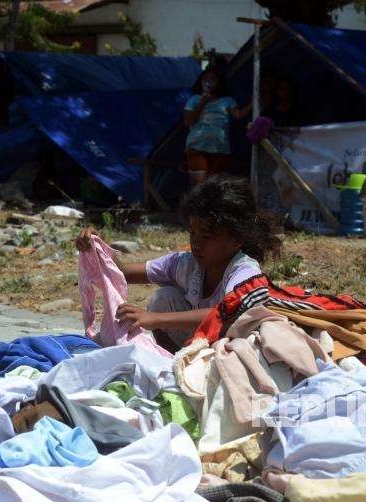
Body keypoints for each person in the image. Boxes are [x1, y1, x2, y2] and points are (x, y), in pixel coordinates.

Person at [76, 175, 281, 352]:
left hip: (229, 344)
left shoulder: (244, 271)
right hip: (198, 341)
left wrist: (153, 318)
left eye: (207, 236)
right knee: (163, 298)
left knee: (162, 309)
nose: (196, 243)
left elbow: (225, 313)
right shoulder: (185, 264)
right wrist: (96, 246)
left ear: (236, 239)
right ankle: (173, 359)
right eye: (193, 232)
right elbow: (123, 273)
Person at [183, 67, 252, 186]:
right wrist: (203, 101)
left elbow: (238, 115)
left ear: (219, 83)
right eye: (205, 79)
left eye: (212, 79)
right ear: (200, 82)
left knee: (215, 187)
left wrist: (252, 103)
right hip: (197, 146)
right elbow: (188, 121)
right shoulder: (194, 100)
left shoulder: (227, 101)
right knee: (198, 188)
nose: (208, 82)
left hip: (220, 148)